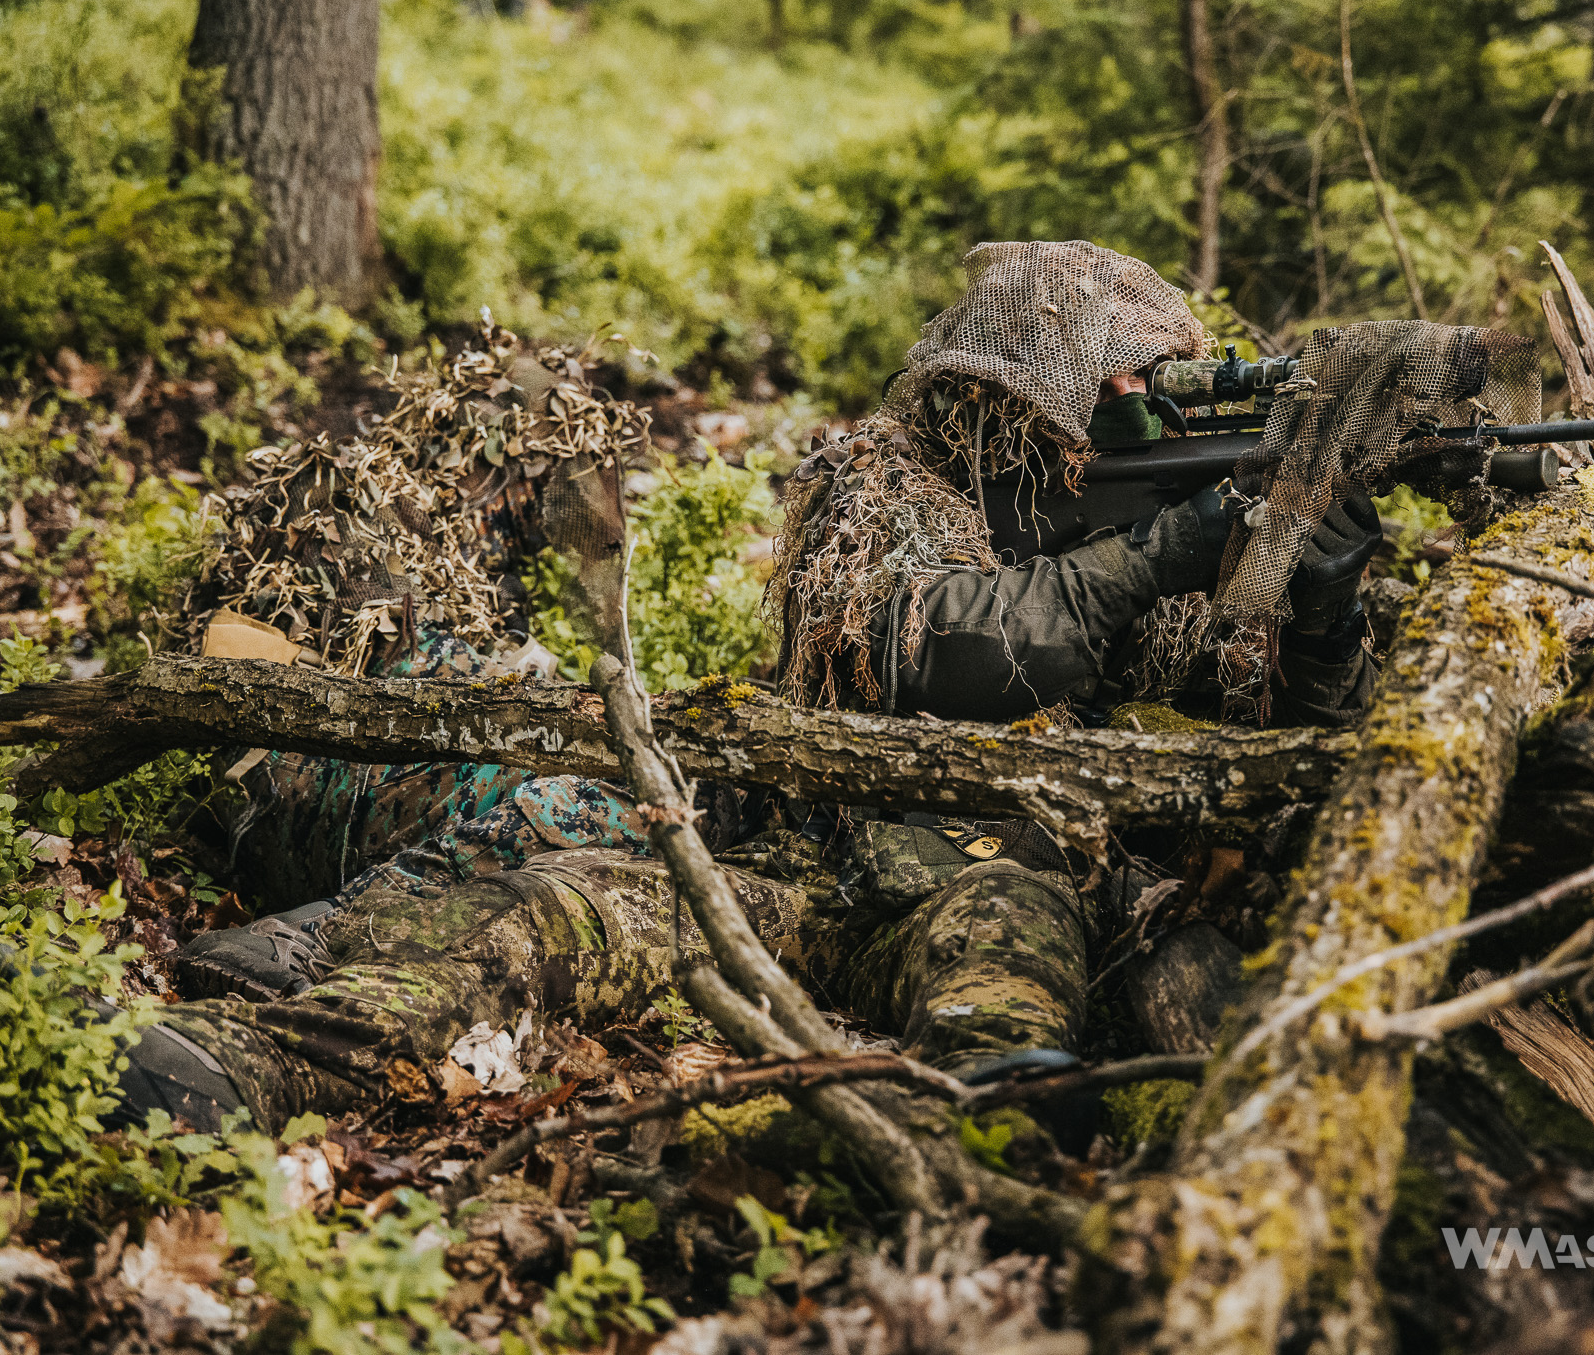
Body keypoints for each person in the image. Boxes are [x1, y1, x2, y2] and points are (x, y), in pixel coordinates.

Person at [111, 243, 1382, 1134]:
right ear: (1007, 398)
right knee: (559, 908)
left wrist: (1319, 610)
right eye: (1113, 393)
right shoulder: (876, 489)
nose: (1139, 421)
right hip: (787, 863)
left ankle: (946, 1138)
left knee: (1006, 977)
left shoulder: (1161, 537)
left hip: (1001, 881)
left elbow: (1274, 754)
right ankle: (258, 1058)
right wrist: (1159, 550)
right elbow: (929, 647)